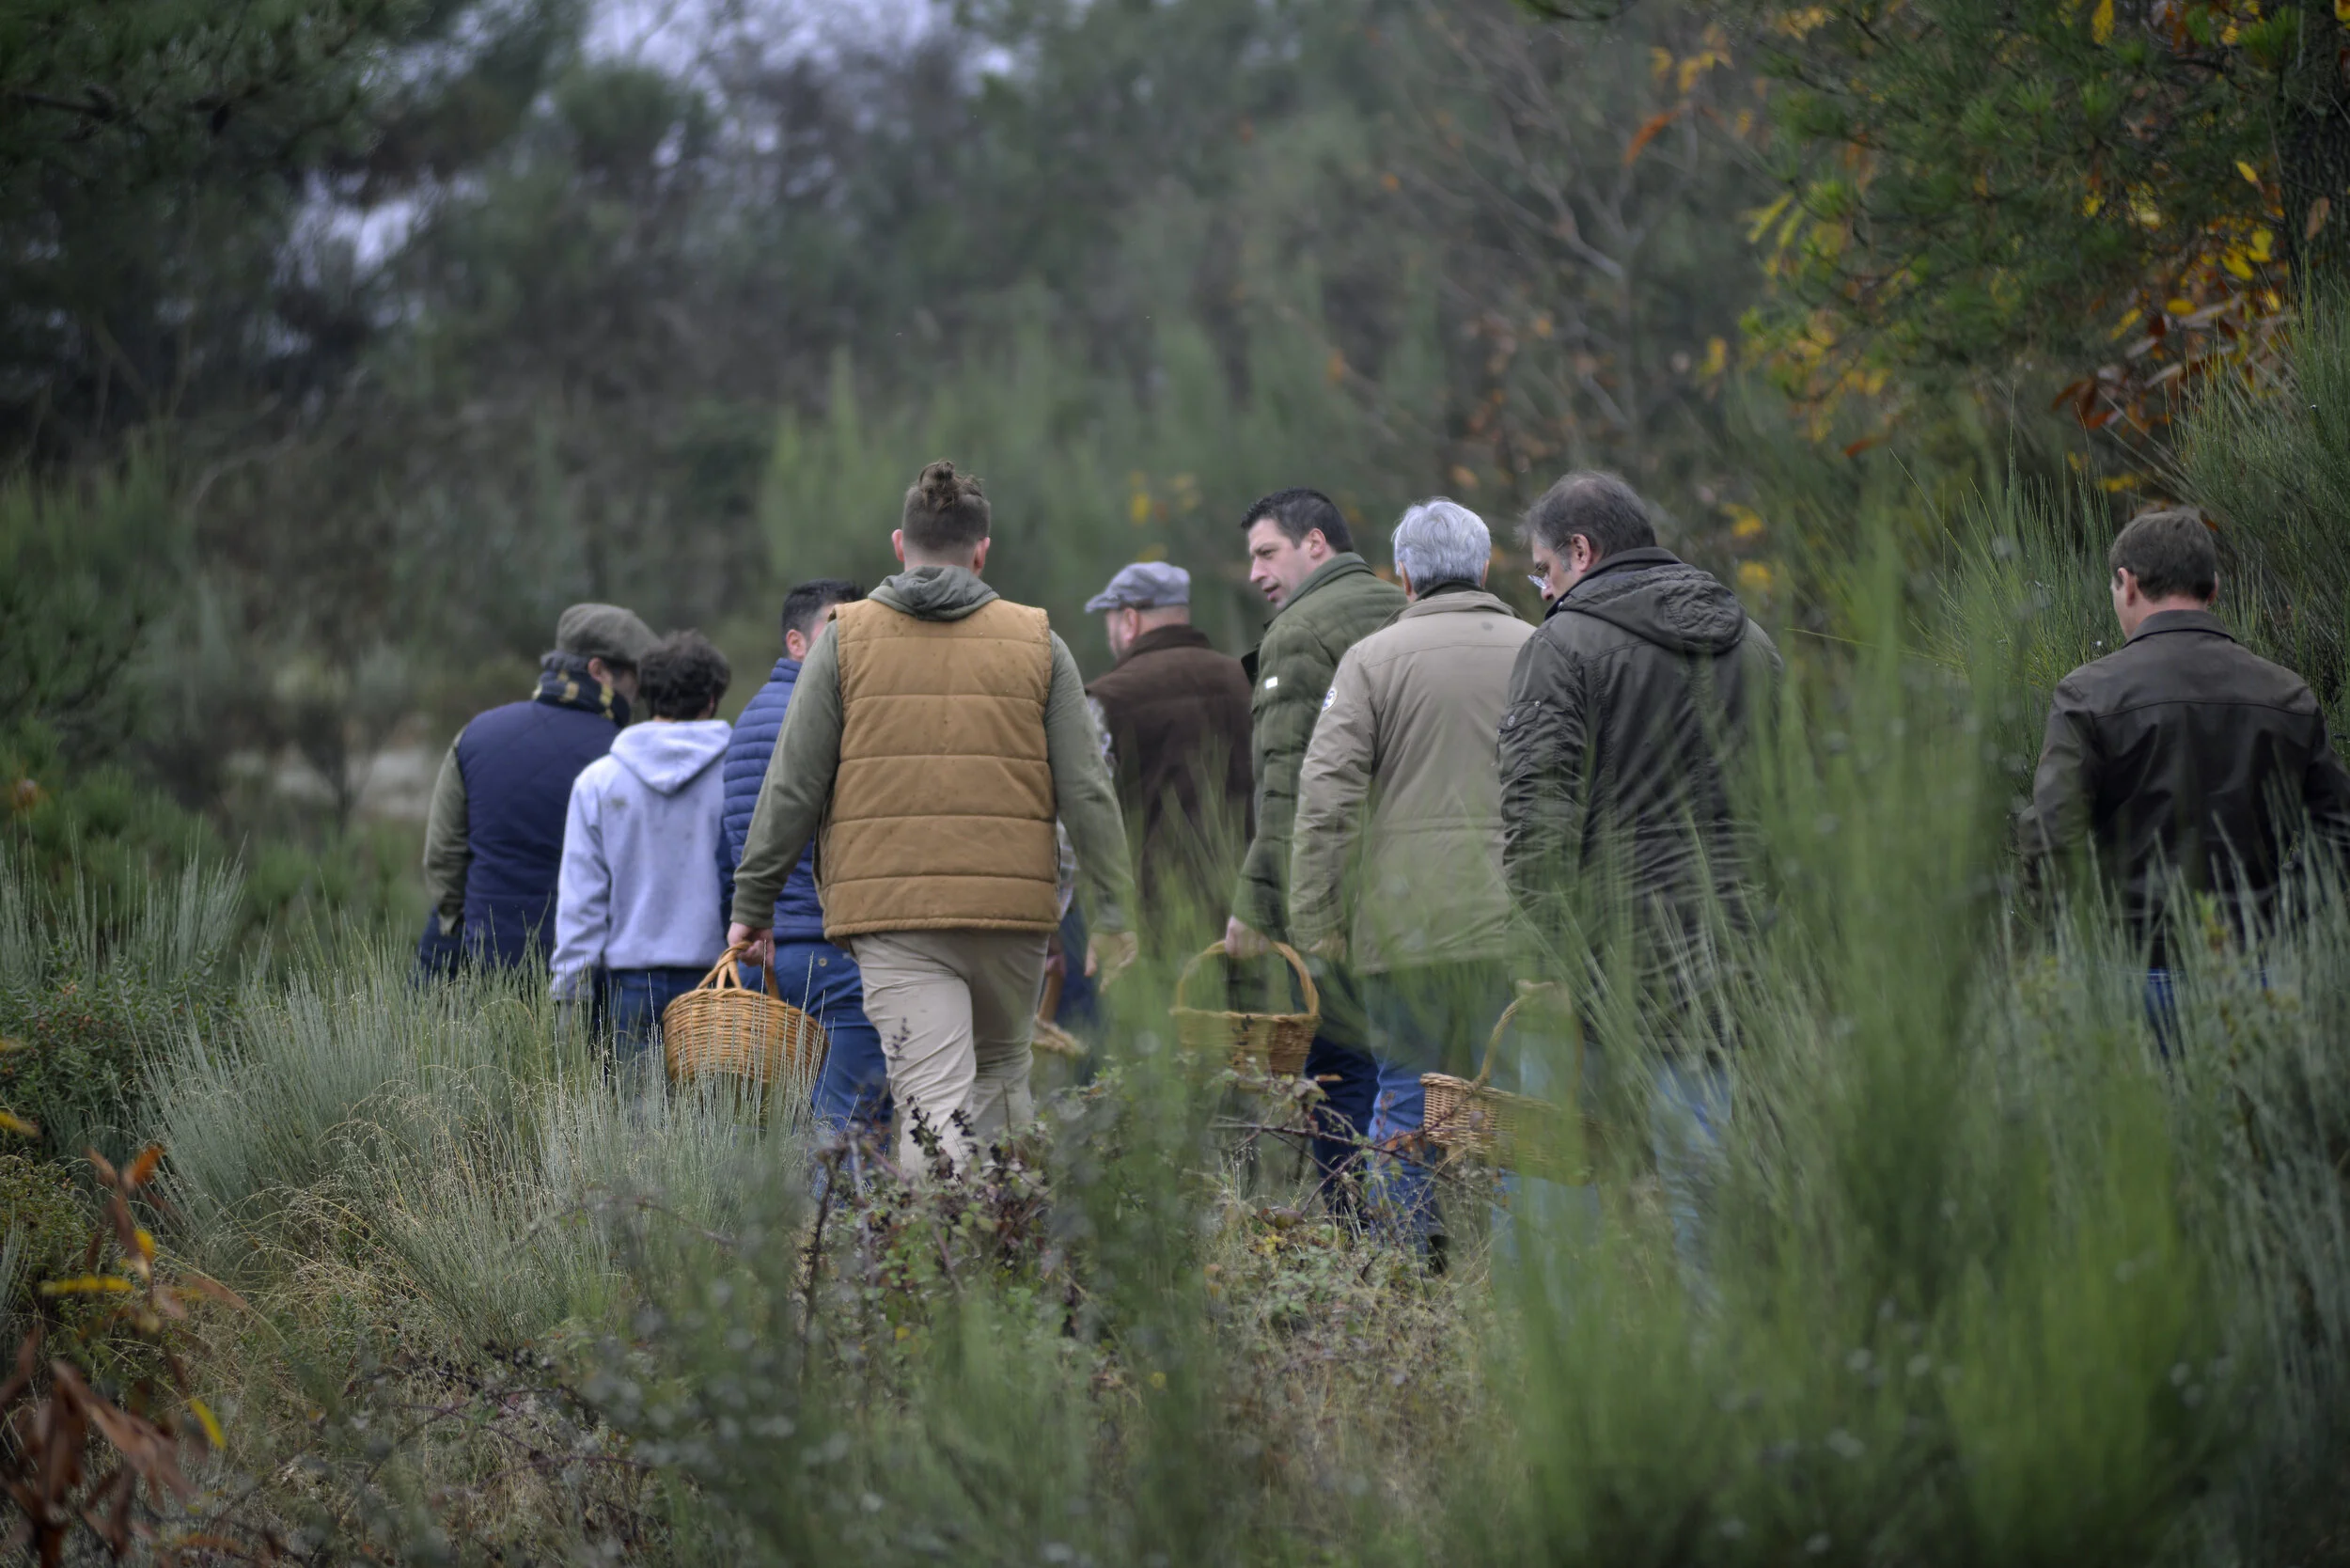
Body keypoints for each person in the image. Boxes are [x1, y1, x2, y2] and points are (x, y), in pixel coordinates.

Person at [726, 461, 1137, 1174]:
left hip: (894, 912)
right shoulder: (1039, 641)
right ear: (983, 550)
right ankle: (1006, 1259)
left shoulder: (844, 641)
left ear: (898, 544)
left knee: (930, 1101)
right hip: (1010, 912)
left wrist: (753, 903)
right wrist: (1114, 912)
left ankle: (942, 1274)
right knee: (1005, 1085)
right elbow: (1088, 791)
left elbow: (792, 785)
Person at [1498, 470, 1780, 1269]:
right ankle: (1720, 1351)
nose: (1542, 590)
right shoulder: (1752, 643)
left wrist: (1541, 959)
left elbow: (1537, 820)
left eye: (1542, 571)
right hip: (1734, 939)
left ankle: (1555, 1365)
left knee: (1556, 1167)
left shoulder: (1560, 646)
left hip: (1599, 949)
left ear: (1580, 553)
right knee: (1707, 1167)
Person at [1289, 499, 1531, 1261]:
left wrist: (1317, 920)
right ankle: (1518, 1272)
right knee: (1516, 1104)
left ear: (1403, 577)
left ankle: (1410, 1265)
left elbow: (1325, 798)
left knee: (1402, 1092)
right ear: (1486, 566)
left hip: (1404, 928)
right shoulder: (1540, 649)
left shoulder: (1371, 660)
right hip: (1516, 923)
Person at [2019, 508, 2350, 1036]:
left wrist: (2075, 941)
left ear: (2126, 584)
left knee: (2129, 1121)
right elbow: (2339, 831)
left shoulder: (2087, 695)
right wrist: (2285, 913)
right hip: (2255, 970)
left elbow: (2053, 835)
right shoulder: (2287, 694)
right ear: (2214, 588)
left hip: (2126, 970)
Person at [1227, 486, 1407, 1198]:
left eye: (1266, 552)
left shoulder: (1300, 634)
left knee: (1342, 1067)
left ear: (1316, 545)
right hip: (1419, 887)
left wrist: (1255, 904)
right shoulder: (1404, 607)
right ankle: (1417, 1228)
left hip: (1338, 893)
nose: (1254, 573)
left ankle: (1363, 1236)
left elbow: (1286, 787)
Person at [717, 578, 894, 1140]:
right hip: (832, 951)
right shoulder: (833, 716)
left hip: (766, 954)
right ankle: (844, 1232)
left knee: (779, 1134)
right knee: (847, 1127)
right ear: (796, 642)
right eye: (834, 631)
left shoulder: (746, 719)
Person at [421, 603, 659, 972]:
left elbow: (443, 858)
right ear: (599, 671)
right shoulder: (627, 755)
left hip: (485, 960)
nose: (639, 695)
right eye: (635, 680)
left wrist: (460, 931)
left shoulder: (475, 736)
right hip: (587, 973)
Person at [551, 633, 734, 1066]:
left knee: (634, 1130)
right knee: (716, 1126)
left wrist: (567, 1002)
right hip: (718, 983)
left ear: (645, 695)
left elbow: (581, 907)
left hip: (630, 985)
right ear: (712, 699)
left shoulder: (598, 782)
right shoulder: (739, 776)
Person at [1083, 560, 1253, 934]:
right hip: (1250, 916)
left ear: (1130, 621)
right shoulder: (1248, 680)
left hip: (1152, 925)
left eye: (1109, 619)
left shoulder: (1106, 698)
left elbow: (1087, 813)